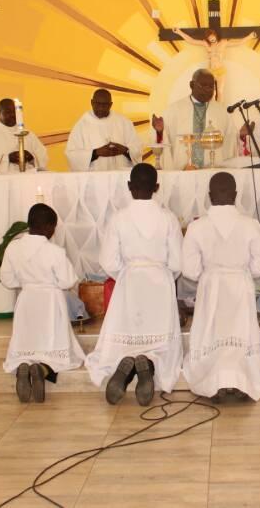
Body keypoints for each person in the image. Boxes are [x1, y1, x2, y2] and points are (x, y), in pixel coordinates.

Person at [85, 163, 183, 405]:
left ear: (129, 187)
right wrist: (163, 275)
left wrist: (127, 274)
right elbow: (177, 261)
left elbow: (107, 260)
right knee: (160, 343)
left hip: (129, 280)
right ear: (157, 187)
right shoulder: (167, 218)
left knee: (128, 335)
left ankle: (126, 366)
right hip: (159, 281)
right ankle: (148, 366)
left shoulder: (119, 218)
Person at [181, 172, 260, 402]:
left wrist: (208, 274)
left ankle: (214, 381)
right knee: (239, 331)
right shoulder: (250, 225)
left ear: (209, 196)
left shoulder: (197, 227)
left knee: (213, 332)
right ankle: (241, 381)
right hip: (239, 284)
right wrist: (242, 272)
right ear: (235, 195)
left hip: (211, 285)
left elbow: (189, 269)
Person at [1, 204, 87, 403]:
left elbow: (7, 279)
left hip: (27, 299)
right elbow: (68, 281)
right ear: (50, 227)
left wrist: (26, 284)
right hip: (50, 302)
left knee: (26, 340)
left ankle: (24, 363)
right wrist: (52, 285)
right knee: (57, 351)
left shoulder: (13, 247)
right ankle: (41, 368)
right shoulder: (54, 251)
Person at [152, 69, 238, 170]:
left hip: (214, 173)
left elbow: (232, 140)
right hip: (183, 172)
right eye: (203, 85)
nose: (208, 90)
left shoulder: (221, 112)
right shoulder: (174, 110)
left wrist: (242, 136)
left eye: (211, 87)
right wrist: (159, 132)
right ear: (192, 85)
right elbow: (162, 141)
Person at [65, 89, 143, 172]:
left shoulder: (124, 122)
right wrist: (95, 153)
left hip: (120, 176)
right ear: (92, 102)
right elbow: (71, 154)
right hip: (94, 178)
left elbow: (137, 148)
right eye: (98, 104)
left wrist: (125, 150)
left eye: (105, 104)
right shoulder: (82, 125)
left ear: (111, 105)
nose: (101, 108)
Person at [0, 98, 48, 173]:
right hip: (3, 182)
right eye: (8, 112)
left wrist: (31, 157)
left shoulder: (28, 134)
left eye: (14, 111)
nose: (12, 115)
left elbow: (43, 155)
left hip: (26, 180)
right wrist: (7, 158)